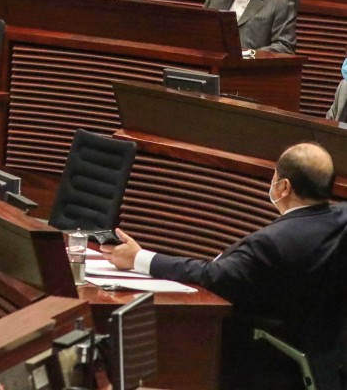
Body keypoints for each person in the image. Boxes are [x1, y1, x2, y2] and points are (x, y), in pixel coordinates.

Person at [102, 142, 347, 390]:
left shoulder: (272, 244)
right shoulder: (341, 219)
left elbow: (212, 275)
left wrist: (139, 258)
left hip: (270, 362)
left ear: (284, 187)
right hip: (329, 357)